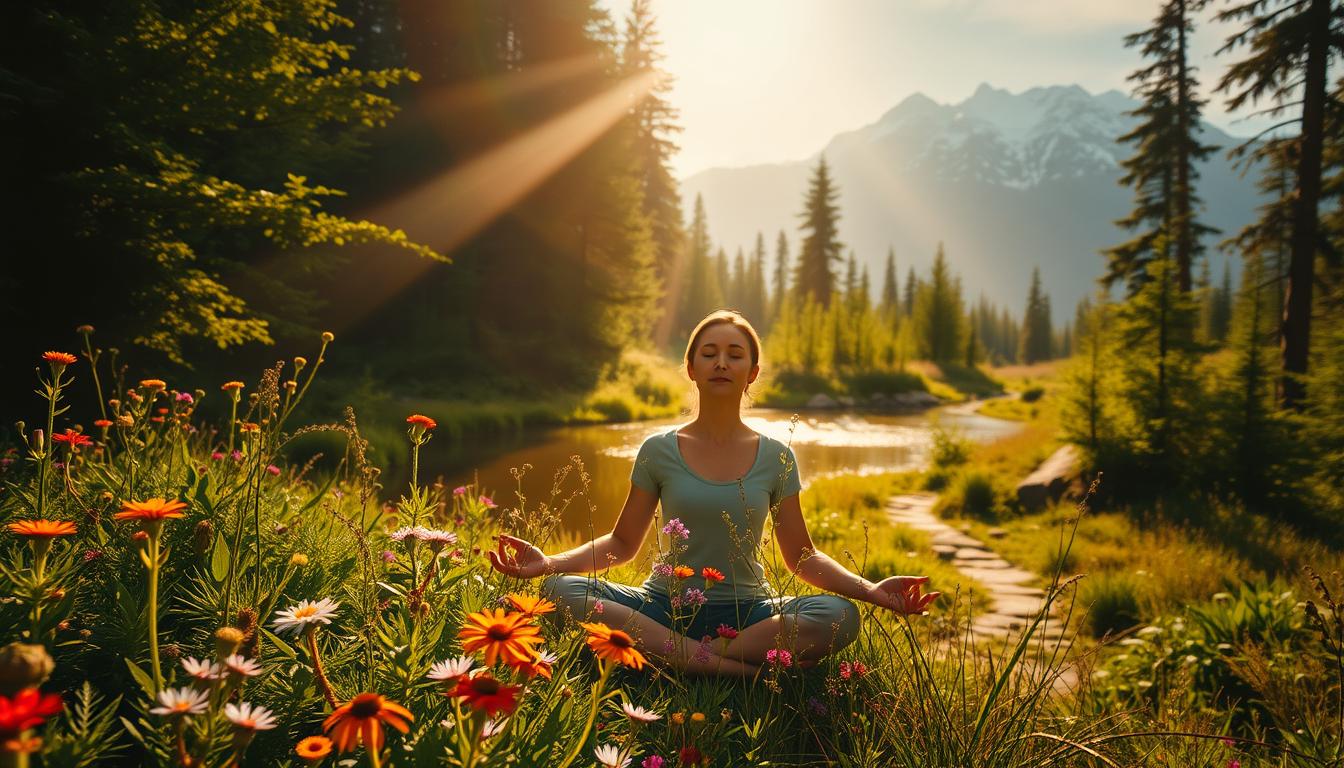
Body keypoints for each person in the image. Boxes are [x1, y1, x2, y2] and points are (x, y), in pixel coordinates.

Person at [488, 310, 939, 675]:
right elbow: (622, 544)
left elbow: (802, 556)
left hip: (750, 615)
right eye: (709, 353)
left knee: (840, 616)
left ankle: (681, 656)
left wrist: (872, 591)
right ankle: (725, 669)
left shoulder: (777, 457)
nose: (721, 362)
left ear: (752, 372)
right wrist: (548, 562)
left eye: (734, 354)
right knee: (561, 590)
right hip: (662, 605)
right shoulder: (658, 450)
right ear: (692, 368)